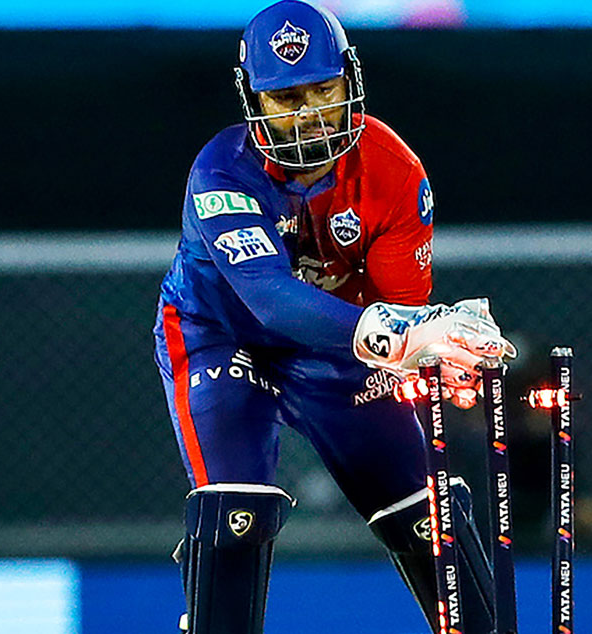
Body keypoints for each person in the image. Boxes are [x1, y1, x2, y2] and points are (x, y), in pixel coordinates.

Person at [152, 2, 516, 632]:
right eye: (286, 97)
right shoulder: (220, 171)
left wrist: (437, 354)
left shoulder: (394, 172)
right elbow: (268, 297)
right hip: (223, 338)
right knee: (237, 515)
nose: (310, 115)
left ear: (351, 80)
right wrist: (402, 337)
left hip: (339, 349)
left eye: (324, 89)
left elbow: (404, 311)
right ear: (253, 101)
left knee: (429, 520)